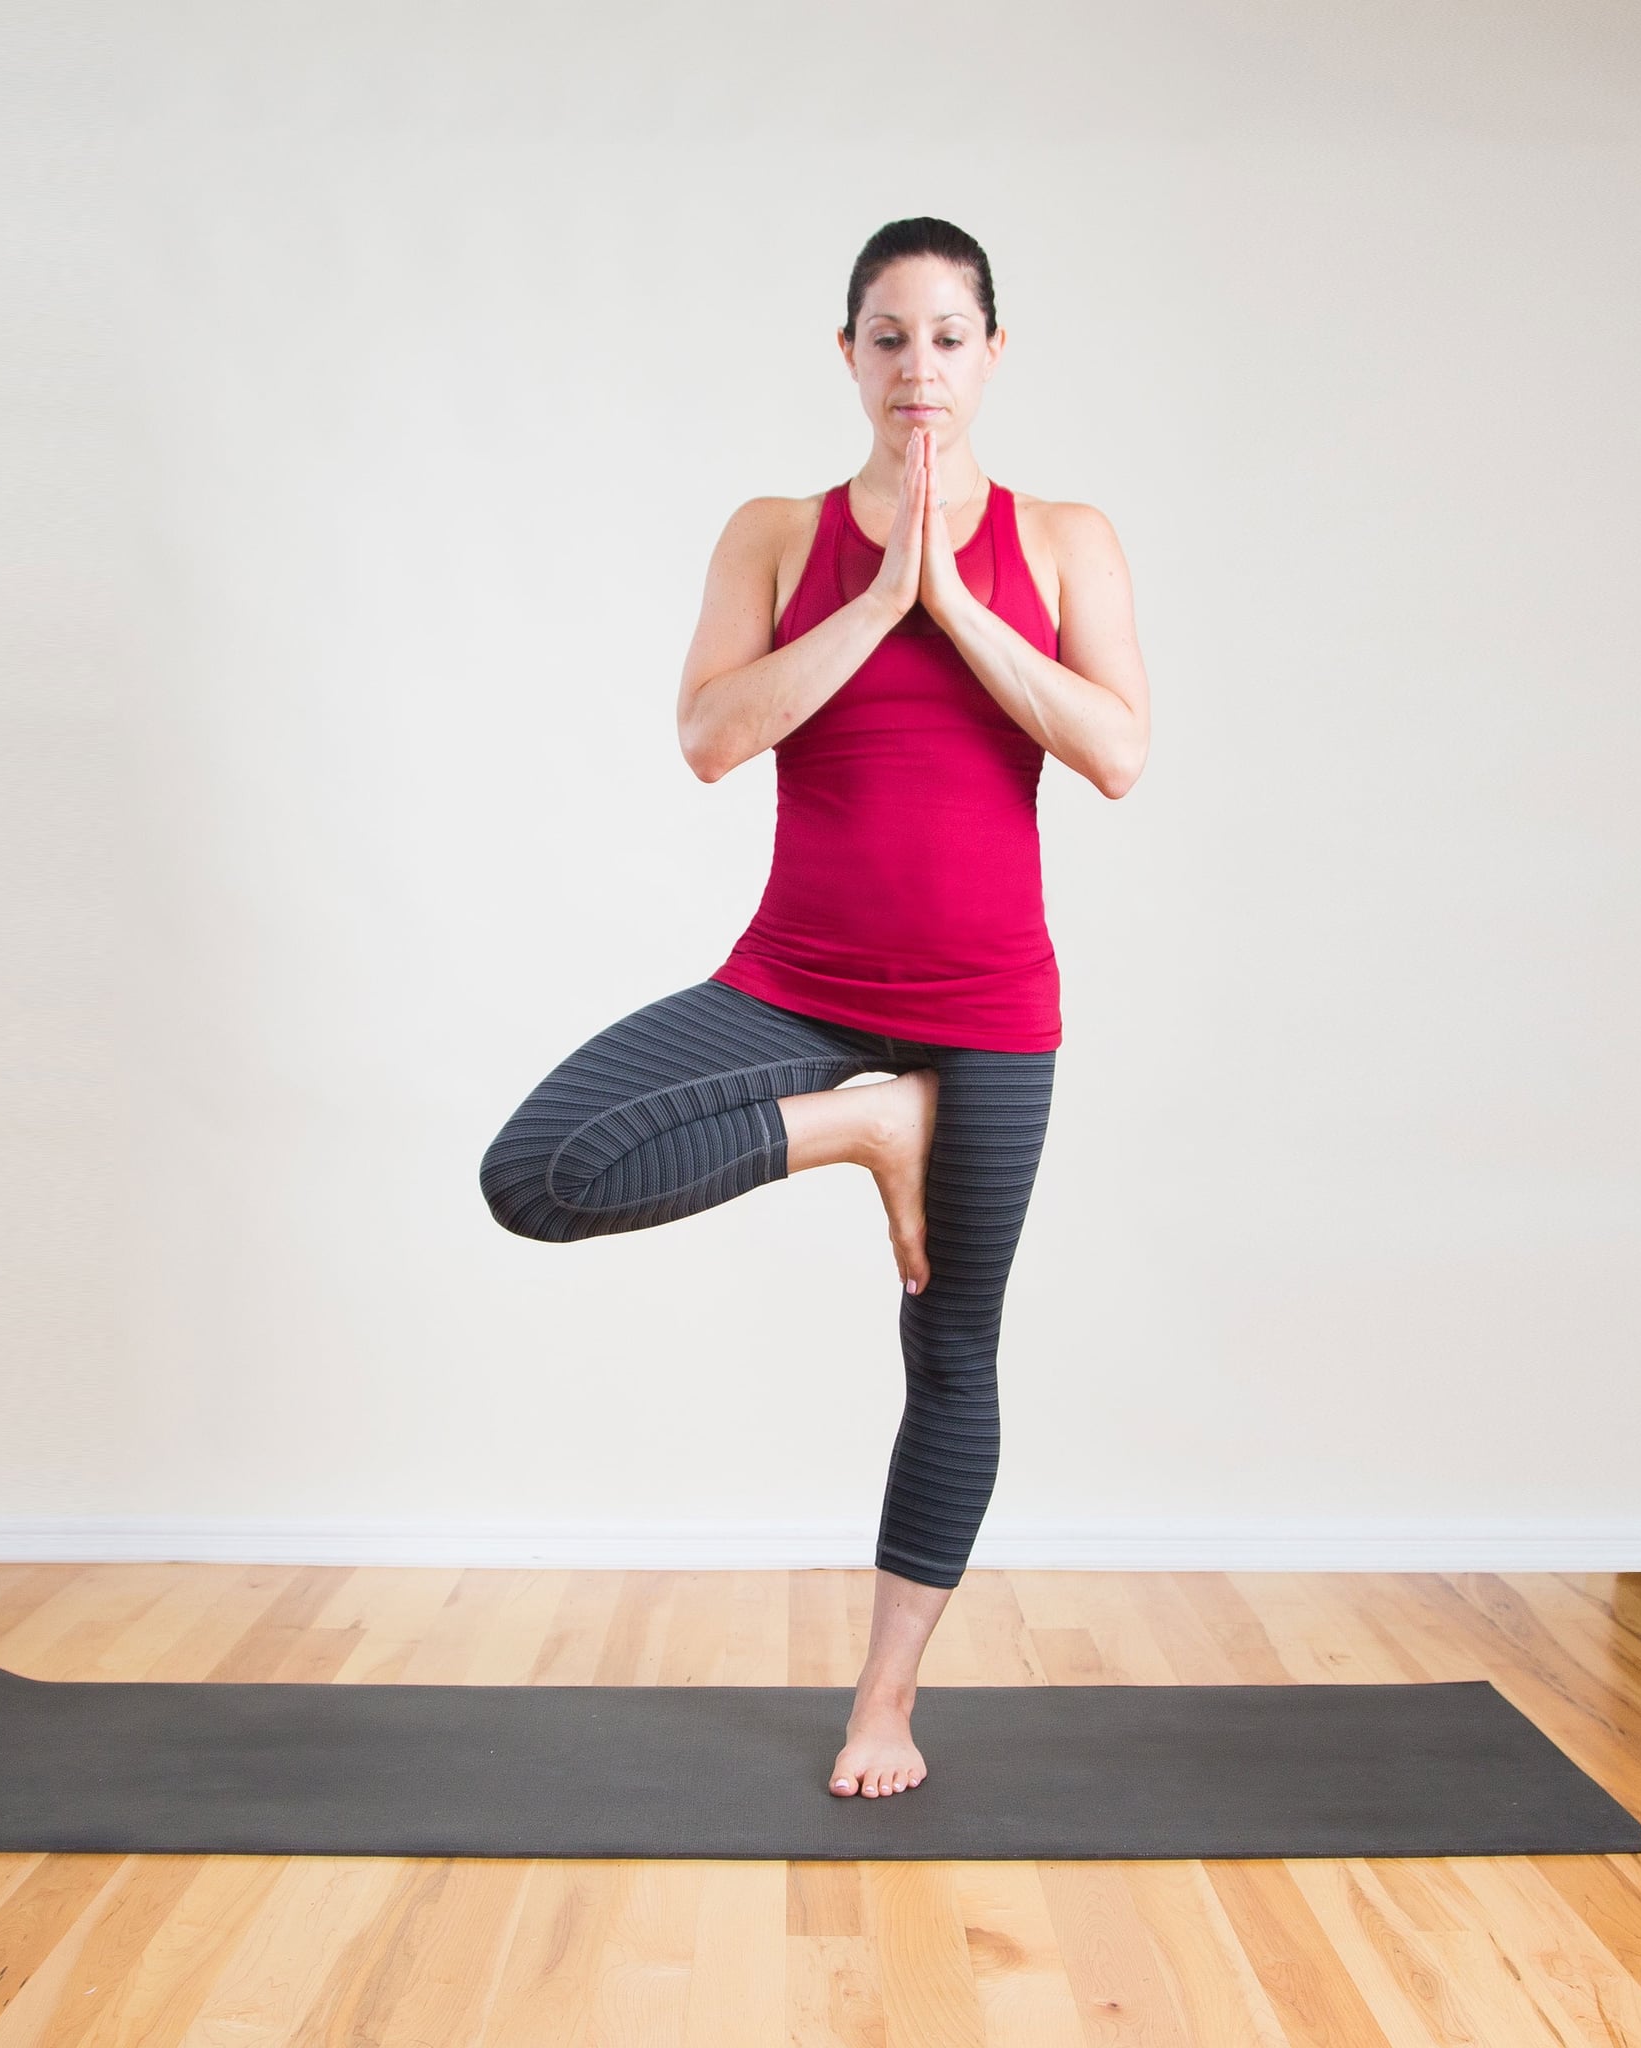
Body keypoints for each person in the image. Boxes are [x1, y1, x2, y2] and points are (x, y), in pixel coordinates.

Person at [480, 216, 1151, 1800]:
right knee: (541, 1173)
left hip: (989, 1012)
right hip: (794, 985)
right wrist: (870, 605)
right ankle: (863, 1125)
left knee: (953, 1350)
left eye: (949, 334)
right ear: (848, 355)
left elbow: (1117, 752)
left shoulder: (1063, 539)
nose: (920, 365)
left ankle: (885, 1707)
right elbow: (712, 737)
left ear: (995, 354)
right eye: (889, 335)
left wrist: (958, 606)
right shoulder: (776, 536)